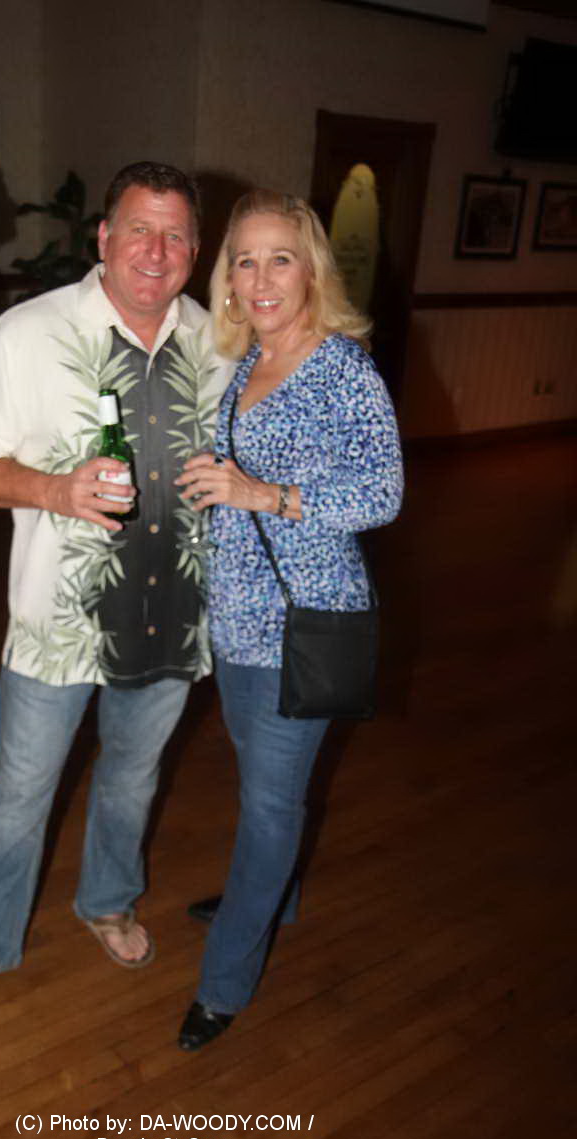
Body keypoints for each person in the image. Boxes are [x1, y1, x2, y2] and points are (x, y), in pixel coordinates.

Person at [0, 161, 233, 1022]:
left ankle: (107, 899)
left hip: (174, 614)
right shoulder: (26, 333)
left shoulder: (221, 342)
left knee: (133, 776)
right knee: (19, 791)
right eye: (139, 229)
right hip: (59, 623)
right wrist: (55, 490)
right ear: (103, 236)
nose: (156, 251)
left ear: (196, 249)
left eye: (175, 236)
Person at [174, 190, 403, 1050]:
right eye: (245, 260)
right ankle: (270, 893)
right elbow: (243, 477)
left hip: (303, 622)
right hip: (238, 617)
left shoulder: (342, 368)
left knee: (271, 807)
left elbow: (383, 493)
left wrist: (264, 493)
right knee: (263, 785)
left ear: (311, 270)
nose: (261, 277)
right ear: (228, 278)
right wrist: (217, 479)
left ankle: (224, 983)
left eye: (280, 258)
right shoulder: (249, 360)